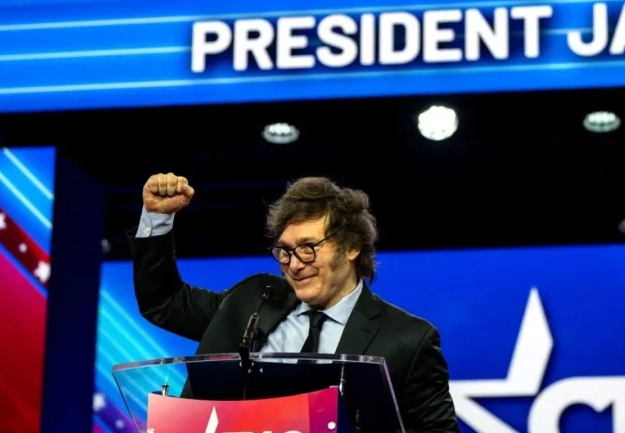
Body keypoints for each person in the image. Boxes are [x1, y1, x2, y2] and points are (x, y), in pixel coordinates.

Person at [129, 172, 459, 433]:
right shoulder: (252, 299)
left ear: (352, 247)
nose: (295, 264)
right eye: (285, 251)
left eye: (308, 248)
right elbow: (164, 302)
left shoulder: (407, 340)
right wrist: (157, 218)